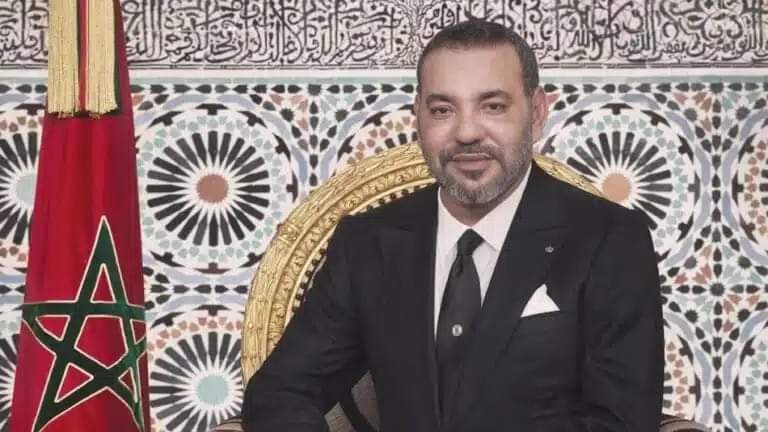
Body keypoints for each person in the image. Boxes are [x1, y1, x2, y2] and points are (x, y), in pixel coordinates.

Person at [242, 20, 664, 431]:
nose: (466, 133)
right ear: (418, 118)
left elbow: (623, 420)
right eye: (442, 110)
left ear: (536, 113)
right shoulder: (368, 242)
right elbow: (280, 392)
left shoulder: (610, 239)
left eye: (493, 106)